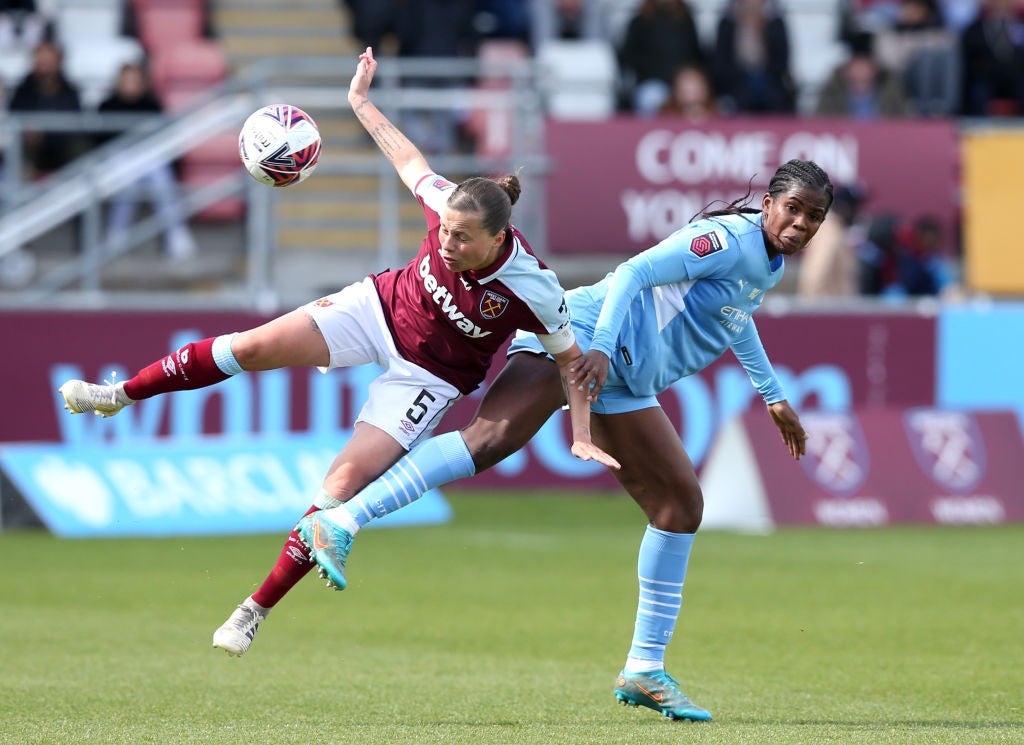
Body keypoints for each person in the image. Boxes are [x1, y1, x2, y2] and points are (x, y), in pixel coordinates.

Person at [57, 46, 617, 656]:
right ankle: (118, 395)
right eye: (445, 232)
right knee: (250, 347)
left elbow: (568, 359)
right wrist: (360, 102)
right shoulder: (448, 202)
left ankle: (253, 610)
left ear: (498, 237)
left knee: (341, 485)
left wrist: (581, 431)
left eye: (462, 238)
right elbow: (408, 158)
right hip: (378, 309)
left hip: (428, 379)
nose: (448, 242)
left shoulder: (533, 283)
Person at [298, 159, 834, 722]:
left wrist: (772, 395)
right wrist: (596, 346)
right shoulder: (725, 238)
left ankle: (645, 669)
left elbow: (736, 314)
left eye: (813, 217)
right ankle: (341, 520)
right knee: (489, 440)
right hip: (584, 337)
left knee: (679, 506)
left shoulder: (768, 262)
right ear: (769, 202)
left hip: (628, 377)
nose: (800, 224)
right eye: (793, 209)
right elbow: (632, 273)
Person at [96, 62, 197, 260]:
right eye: (126, 80)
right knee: (127, 179)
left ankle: (175, 235)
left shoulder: (152, 104)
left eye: (134, 80)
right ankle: (117, 235)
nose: (130, 85)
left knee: (160, 176)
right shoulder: (106, 105)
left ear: (142, 83)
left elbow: (162, 138)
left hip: (147, 157)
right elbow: (99, 141)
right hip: (116, 158)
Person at [7, 37, 86, 178]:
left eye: (48, 59)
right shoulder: (23, 90)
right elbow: (14, 118)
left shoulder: (70, 91)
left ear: (59, 60)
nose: (44, 63)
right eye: (40, 58)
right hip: (32, 150)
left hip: (62, 148)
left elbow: (75, 122)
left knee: (79, 147)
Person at [617, 0, 704, 115]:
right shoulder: (640, 21)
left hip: (682, 82)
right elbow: (629, 57)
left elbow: (695, 55)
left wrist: (684, 79)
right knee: (652, 96)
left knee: (693, 93)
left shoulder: (686, 21)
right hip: (652, 82)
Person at [711, 0, 797, 114]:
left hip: (770, 81)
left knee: (775, 97)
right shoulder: (727, 23)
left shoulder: (775, 23)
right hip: (736, 83)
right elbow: (721, 63)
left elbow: (781, 63)